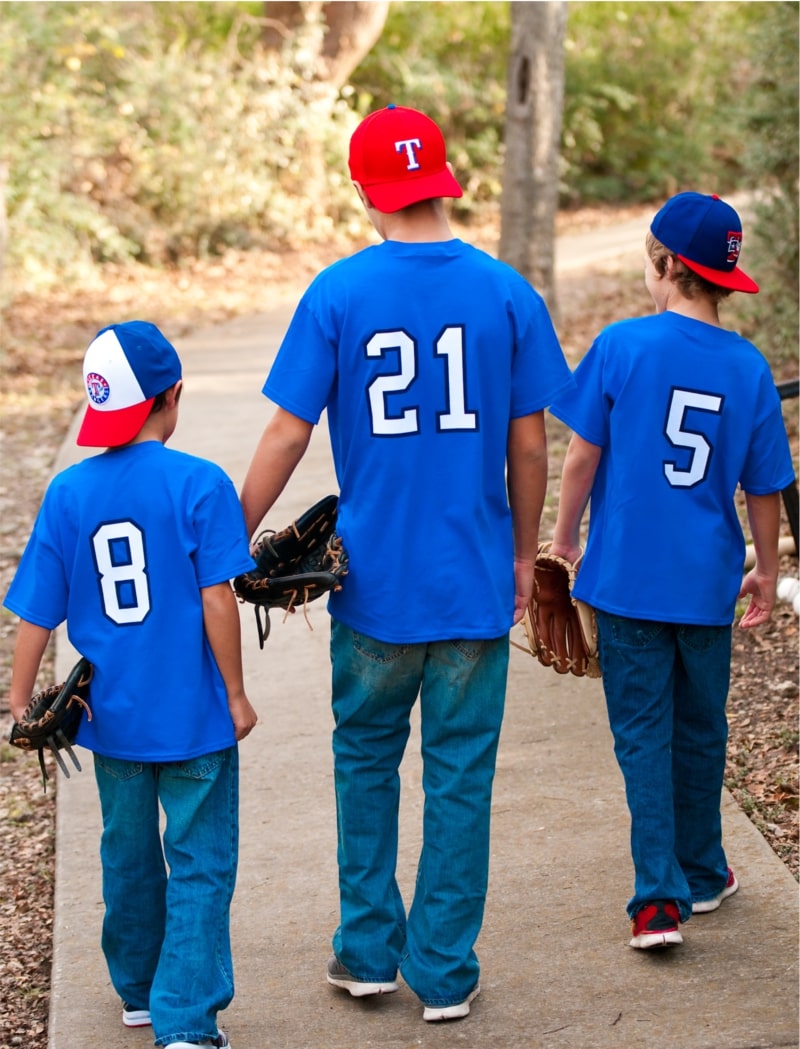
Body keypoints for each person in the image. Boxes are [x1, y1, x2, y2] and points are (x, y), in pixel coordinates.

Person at [240, 103, 572, 1021]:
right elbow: (531, 446)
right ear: (444, 180)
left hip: (373, 593)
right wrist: (521, 553)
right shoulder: (506, 292)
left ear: (365, 192)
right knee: (461, 777)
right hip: (470, 585)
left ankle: (367, 953)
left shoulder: (339, 293)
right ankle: (448, 971)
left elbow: (285, 430)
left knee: (366, 764)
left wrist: (229, 538)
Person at [547, 192, 794, 950]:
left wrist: (563, 542)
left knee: (642, 733)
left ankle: (657, 899)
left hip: (624, 580)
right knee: (702, 727)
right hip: (705, 581)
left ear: (664, 266)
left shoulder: (623, 347)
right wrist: (765, 568)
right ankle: (704, 868)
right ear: (721, 278)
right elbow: (765, 489)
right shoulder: (749, 368)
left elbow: (583, 456)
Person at [4, 320, 258, 1048]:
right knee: (201, 861)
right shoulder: (200, 484)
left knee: (128, 851)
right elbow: (218, 598)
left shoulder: (68, 493)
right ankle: (186, 1020)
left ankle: (140, 990)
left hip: (109, 719)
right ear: (171, 395)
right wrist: (235, 692)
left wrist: (21, 706)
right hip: (195, 719)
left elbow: (34, 614)